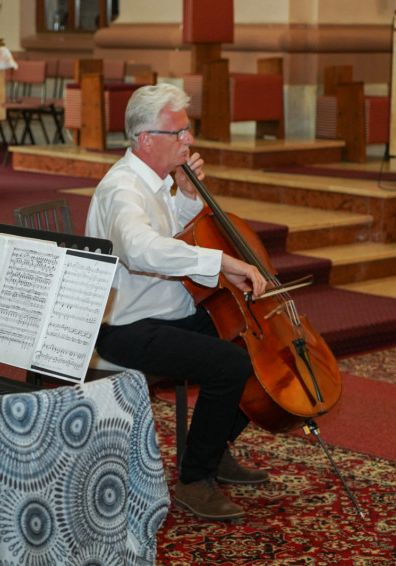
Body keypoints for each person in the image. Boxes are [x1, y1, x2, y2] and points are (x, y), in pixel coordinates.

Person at [85, 83, 269, 521]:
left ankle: (213, 447)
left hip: (167, 312)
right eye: (180, 131)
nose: (190, 139)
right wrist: (220, 260)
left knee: (257, 344)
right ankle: (193, 479)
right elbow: (142, 249)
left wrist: (186, 195)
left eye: (189, 129)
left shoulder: (156, 182)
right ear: (146, 139)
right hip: (125, 328)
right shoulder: (122, 189)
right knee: (229, 364)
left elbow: (172, 236)